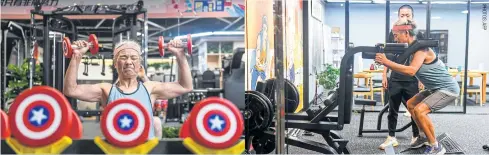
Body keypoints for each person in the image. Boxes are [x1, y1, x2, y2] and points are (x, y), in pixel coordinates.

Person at [63, 39, 193, 140]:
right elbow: (71, 90)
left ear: (139, 64)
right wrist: (77, 56)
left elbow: (185, 86)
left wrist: (180, 55)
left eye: (134, 58)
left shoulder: (150, 88)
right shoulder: (106, 90)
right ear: (115, 63)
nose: (129, 62)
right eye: (123, 57)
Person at [375, 19, 460, 155]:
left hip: (447, 89)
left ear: (406, 32)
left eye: (396, 35)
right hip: (434, 88)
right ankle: (423, 138)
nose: (395, 38)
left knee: (420, 110)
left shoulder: (421, 49)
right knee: (411, 104)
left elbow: (411, 71)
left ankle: (435, 146)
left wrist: (386, 62)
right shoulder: (412, 49)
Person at [379, 4, 425, 150]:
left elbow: (422, 59)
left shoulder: (418, 34)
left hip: (412, 78)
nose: (405, 17)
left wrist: (421, 79)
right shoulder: (393, 32)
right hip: (395, 78)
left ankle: (416, 136)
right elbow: (387, 54)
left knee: (414, 110)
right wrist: (384, 74)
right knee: (392, 109)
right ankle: (391, 137)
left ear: (412, 17)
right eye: (402, 15)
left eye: (407, 15)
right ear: (398, 16)